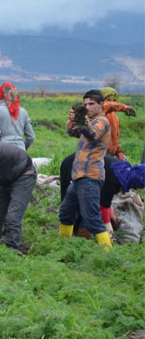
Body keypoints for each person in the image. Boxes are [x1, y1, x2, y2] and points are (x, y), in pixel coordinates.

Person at [58, 90, 112, 249]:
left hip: (91, 176)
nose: (88, 107)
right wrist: (71, 125)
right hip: (78, 177)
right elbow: (78, 133)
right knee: (66, 213)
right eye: (85, 104)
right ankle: (61, 248)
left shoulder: (102, 121)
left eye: (91, 104)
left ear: (101, 104)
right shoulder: (90, 121)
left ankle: (107, 254)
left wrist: (81, 120)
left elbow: (92, 134)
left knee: (93, 219)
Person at [60, 153, 120, 238]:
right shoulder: (115, 178)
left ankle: (73, 232)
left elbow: (105, 201)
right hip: (76, 166)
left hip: (88, 170)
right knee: (71, 206)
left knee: (85, 205)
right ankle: (72, 234)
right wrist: (110, 234)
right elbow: (103, 207)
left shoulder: (117, 173)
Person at [0, 82, 35, 151]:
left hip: (3, 152)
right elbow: (31, 137)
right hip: (21, 152)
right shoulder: (23, 112)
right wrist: (23, 148)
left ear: (0, 95)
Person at [100, 87, 137, 161]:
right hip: (99, 155)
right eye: (108, 100)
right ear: (101, 101)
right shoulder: (99, 112)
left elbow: (115, 138)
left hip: (110, 155)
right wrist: (124, 107)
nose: (112, 103)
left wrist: (120, 153)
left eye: (114, 100)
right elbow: (109, 106)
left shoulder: (115, 117)